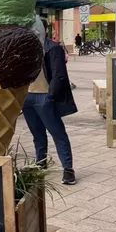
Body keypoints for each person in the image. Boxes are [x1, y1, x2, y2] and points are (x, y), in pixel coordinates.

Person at [22, 20, 77, 185]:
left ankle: (68, 169)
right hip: (27, 97)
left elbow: (59, 75)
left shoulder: (52, 48)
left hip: (44, 96)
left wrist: (50, 96)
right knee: (37, 135)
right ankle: (40, 162)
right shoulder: (25, 48)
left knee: (58, 133)